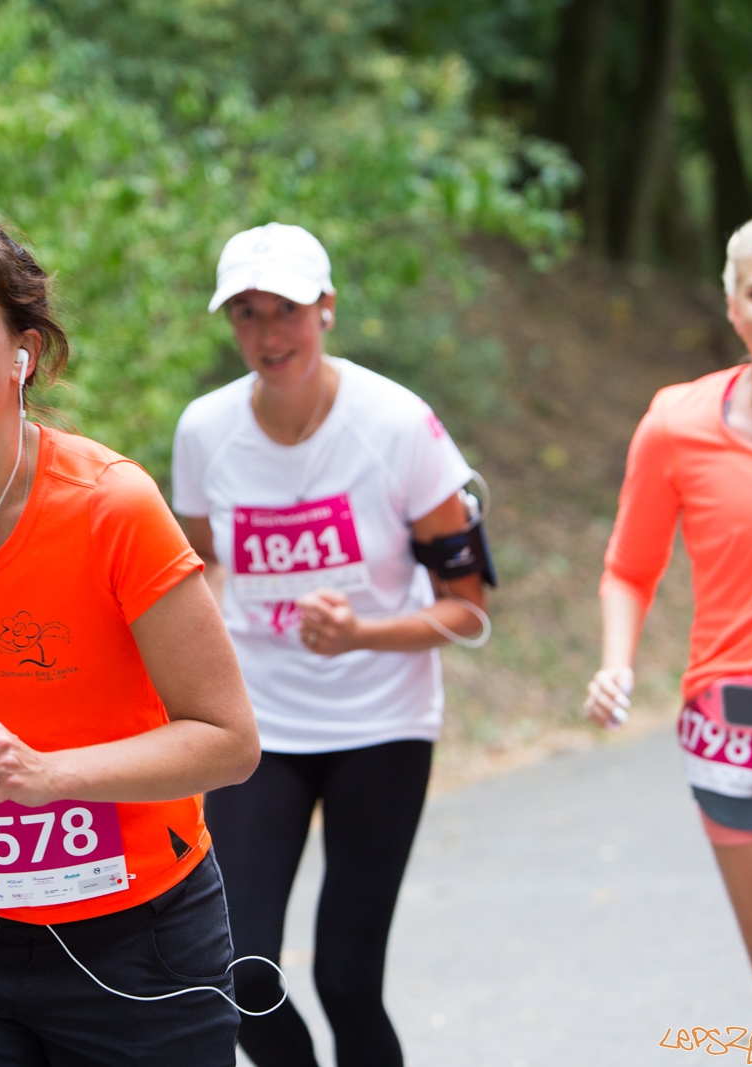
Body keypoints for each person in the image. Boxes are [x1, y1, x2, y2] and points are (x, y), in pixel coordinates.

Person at [0, 215, 262, 1067]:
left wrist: (49, 775)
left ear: (22, 351)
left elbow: (228, 740)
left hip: (135, 934)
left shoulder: (111, 506)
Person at [172, 223, 493, 1067]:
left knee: (348, 978)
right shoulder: (205, 430)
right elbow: (201, 564)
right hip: (259, 728)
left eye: (286, 309)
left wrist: (361, 633)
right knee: (237, 971)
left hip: (381, 725)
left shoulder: (399, 425)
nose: (268, 333)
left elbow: (467, 608)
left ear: (327, 309)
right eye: (246, 313)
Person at [585, 207, 752, 1066]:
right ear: (734, 307)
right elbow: (630, 568)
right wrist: (616, 663)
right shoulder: (677, 423)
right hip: (727, 738)